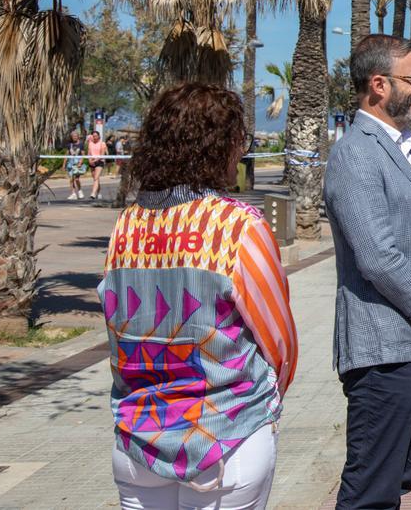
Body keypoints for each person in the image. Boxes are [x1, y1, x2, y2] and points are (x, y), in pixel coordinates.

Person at [99, 83, 297, 509]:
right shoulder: (238, 226)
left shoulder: (126, 225)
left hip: (138, 438)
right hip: (226, 439)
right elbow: (279, 342)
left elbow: (116, 328)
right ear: (220, 147)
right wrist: (268, 403)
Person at [324, 34, 411, 509]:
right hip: (384, 355)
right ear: (379, 85)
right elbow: (378, 257)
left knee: (395, 483)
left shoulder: (402, 146)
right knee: (370, 494)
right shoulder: (355, 154)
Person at [87, 130, 107, 200]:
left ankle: (93, 193)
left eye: (96, 136)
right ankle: (98, 192)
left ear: (98, 136)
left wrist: (95, 160)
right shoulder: (90, 143)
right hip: (92, 162)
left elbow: (102, 154)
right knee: (96, 179)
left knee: (96, 177)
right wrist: (90, 160)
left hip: (99, 161)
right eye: (93, 136)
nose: (94, 137)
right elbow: (89, 153)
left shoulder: (102, 143)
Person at [66, 131, 87, 200]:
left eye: (75, 136)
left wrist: (80, 162)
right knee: (71, 179)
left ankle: (80, 191)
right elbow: (67, 155)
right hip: (70, 163)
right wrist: (64, 164)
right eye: (73, 136)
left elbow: (83, 155)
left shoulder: (81, 144)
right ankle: (73, 194)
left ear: (78, 136)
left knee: (76, 179)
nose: (74, 137)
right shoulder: (69, 145)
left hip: (78, 163)